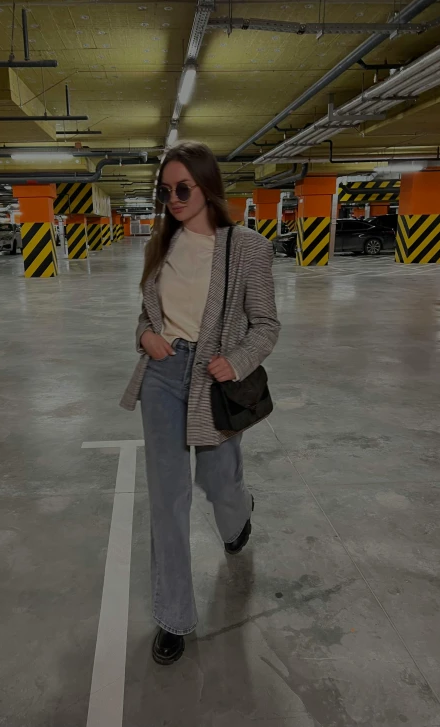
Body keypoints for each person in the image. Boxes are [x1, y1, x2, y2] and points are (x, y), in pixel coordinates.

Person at [121, 141, 280, 665]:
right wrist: (146, 337)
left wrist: (234, 361)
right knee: (168, 500)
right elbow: (149, 315)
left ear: (208, 186)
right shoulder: (160, 245)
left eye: (182, 188)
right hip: (163, 377)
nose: (172, 198)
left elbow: (267, 326)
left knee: (218, 482)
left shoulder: (247, 247)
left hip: (214, 380)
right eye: (164, 190)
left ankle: (238, 517)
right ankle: (174, 617)